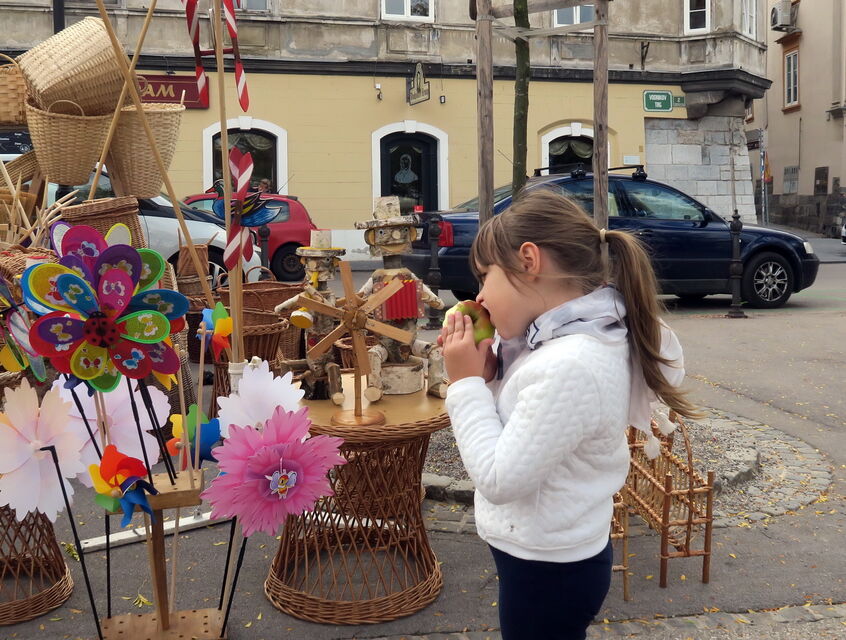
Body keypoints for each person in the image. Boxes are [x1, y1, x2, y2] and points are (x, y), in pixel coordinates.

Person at [439, 189, 697, 640]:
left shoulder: (570, 362)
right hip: (551, 553)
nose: (479, 295)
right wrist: (490, 377)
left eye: (485, 275)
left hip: (549, 568)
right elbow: (528, 424)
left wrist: (463, 385)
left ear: (528, 261)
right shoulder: (560, 340)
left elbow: (500, 479)